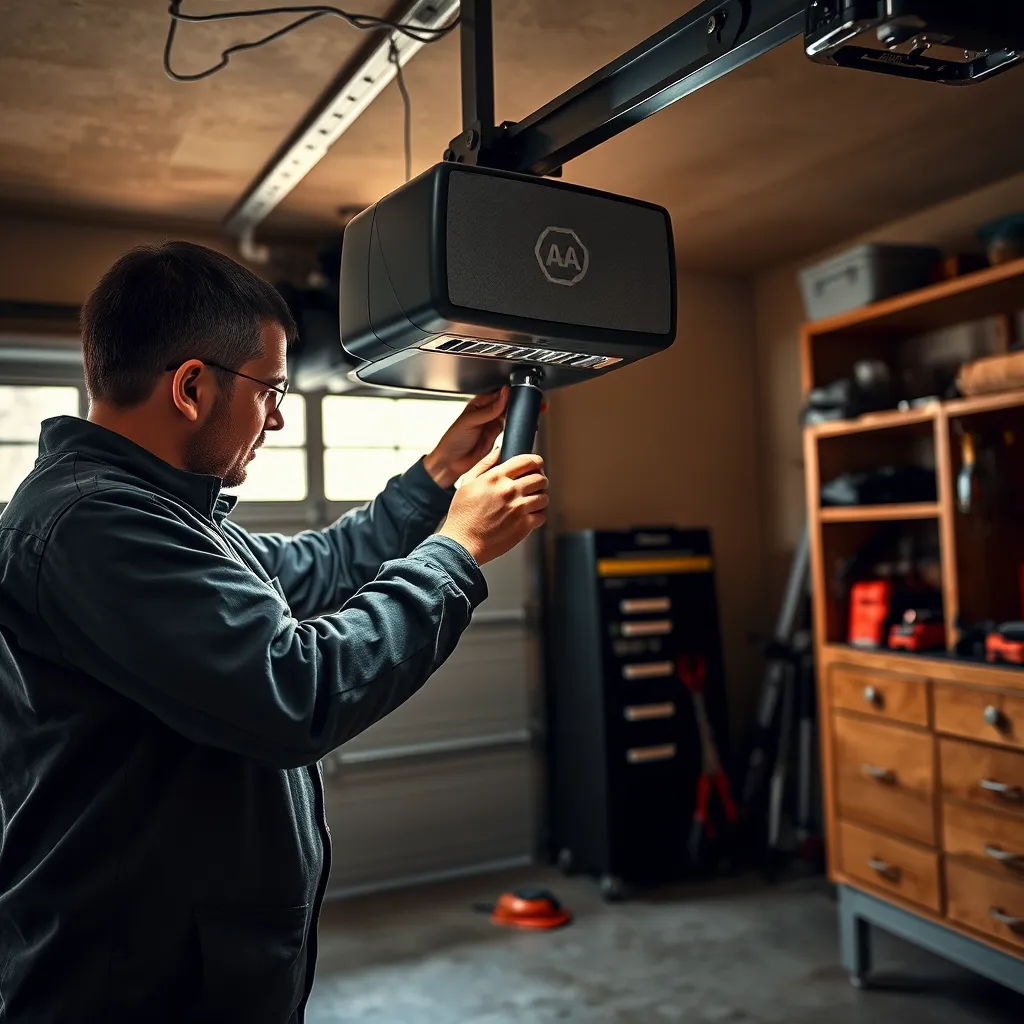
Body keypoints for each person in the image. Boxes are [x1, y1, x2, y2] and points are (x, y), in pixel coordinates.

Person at [0, 241, 548, 1023]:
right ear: (192, 387)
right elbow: (298, 691)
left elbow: (318, 567)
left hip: (203, 975)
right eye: (270, 390)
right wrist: (457, 552)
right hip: (134, 990)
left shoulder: (160, 513)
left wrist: (436, 479)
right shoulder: (92, 524)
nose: (281, 417)